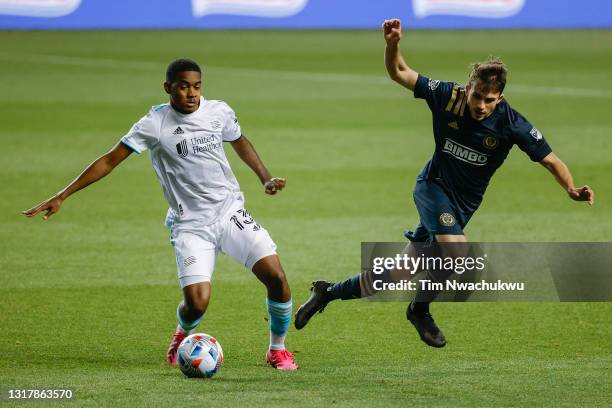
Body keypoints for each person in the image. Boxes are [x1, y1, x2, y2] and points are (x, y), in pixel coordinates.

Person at [294, 19, 594, 348]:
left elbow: (550, 159)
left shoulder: (512, 124)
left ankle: (326, 293)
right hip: (432, 188)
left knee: (398, 273)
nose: (480, 105)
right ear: (468, 87)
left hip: (461, 207)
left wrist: (571, 188)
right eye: (477, 95)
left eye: (489, 99)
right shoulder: (446, 96)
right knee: (457, 250)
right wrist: (393, 43)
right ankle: (419, 310)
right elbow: (400, 72)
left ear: (500, 98)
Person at [22, 58, 298, 370]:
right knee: (197, 303)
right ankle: (184, 331)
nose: (191, 93)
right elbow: (110, 160)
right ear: (168, 88)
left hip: (230, 212)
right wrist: (63, 194)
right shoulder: (154, 124)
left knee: (276, 277)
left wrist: (265, 177)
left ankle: (277, 349)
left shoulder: (218, 111)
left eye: (196, 86)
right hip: (191, 225)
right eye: (183, 87)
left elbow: (239, 140)